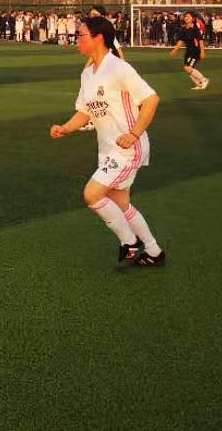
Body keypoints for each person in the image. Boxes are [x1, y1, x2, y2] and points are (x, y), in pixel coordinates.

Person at [49, 16, 164, 267]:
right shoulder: (87, 73)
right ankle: (154, 252)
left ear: (99, 38)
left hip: (127, 148)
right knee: (121, 203)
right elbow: (85, 112)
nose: (77, 40)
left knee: (91, 194)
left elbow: (151, 99)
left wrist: (133, 134)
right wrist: (65, 128)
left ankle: (130, 243)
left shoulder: (119, 68)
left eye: (81, 35)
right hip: (108, 149)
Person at [168, 11, 210, 90]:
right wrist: (175, 50)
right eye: (185, 16)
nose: (186, 18)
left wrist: (202, 51)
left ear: (193, 19)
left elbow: (200, 40)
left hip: (195, 51)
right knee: (188, 69)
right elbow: (181, 40)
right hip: (188, 51)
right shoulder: (184, 28)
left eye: (188, 16)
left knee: (188, 68)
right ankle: (199, 84)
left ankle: (204, 80)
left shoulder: (195, 28)